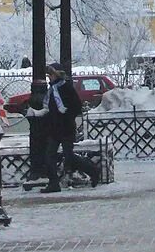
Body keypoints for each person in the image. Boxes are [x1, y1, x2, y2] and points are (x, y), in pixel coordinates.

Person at [29, 63, 101, 193]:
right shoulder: (51, 91)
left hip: (66, 128)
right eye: (48, 75)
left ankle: (93, 171)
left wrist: (66, 115)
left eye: (50, 75)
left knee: (69, 156)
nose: (48, 77)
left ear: (56, 75)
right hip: (54, 130)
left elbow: (76, 106)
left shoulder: (66, 88)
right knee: (49, 156)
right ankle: (53, 184)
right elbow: (49, 109)